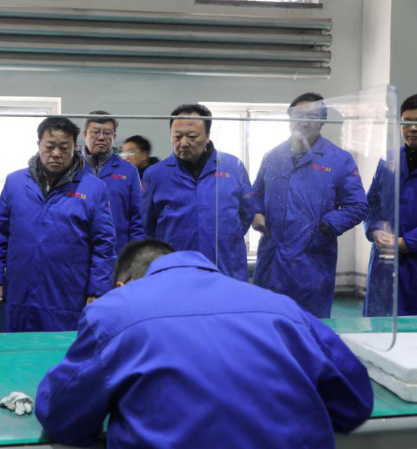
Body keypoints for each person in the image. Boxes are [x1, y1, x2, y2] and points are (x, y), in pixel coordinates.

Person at [35, 240, 374, 448]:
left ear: (123, 285)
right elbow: (356, 402)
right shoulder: (283, 308)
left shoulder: (113, 311)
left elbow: (63, 417)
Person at [0, 117, 116, 332]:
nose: (56, 153)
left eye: (64, 148)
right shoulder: (15, 183)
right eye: (49, 146)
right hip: (19, 291)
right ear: (39, 145)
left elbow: (104, 245)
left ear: (74, 148)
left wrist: (97, 290)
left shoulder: (94, 188)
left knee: (61, 348)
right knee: (16, 347)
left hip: (67, 293)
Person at [252, 92, 368, 318]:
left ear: (322, 122)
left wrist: (324, 226)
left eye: (312, 117)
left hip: (312, 262)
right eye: (298, 116)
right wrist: (255, 212)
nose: (304, 122)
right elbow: (255, 192)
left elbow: (358, 205)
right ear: (289, 119)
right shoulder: (272, 156)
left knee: (311, 325)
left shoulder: (339, 160)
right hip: (272, 259)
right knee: (267, 321)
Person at [141, 104, 255, 281]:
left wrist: (224, 237)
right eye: (177, 136)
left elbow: (246, 213)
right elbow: (147, 224)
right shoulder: (156, 174)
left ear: (208, 136)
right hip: (175, 272)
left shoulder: (232, 167)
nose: (184, 143)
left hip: (224, 268)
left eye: (192, 137)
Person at [364, 94, 417, 316]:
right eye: (407, 122)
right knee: (378, 326)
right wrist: (376, 230)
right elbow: (372, 202)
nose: (412, 128)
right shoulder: (389, 160)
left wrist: (410, 241)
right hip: (385, 260)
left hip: (413, 262)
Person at [82, 111, 144, 253]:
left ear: (114, 137)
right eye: (95, 132)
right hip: (79, 251)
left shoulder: (128, 171)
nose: (101, 137)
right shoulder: (73, 169)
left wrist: (135, 255)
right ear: (85, 134)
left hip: (117, 251)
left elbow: (138, 217)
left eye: (107, 133)